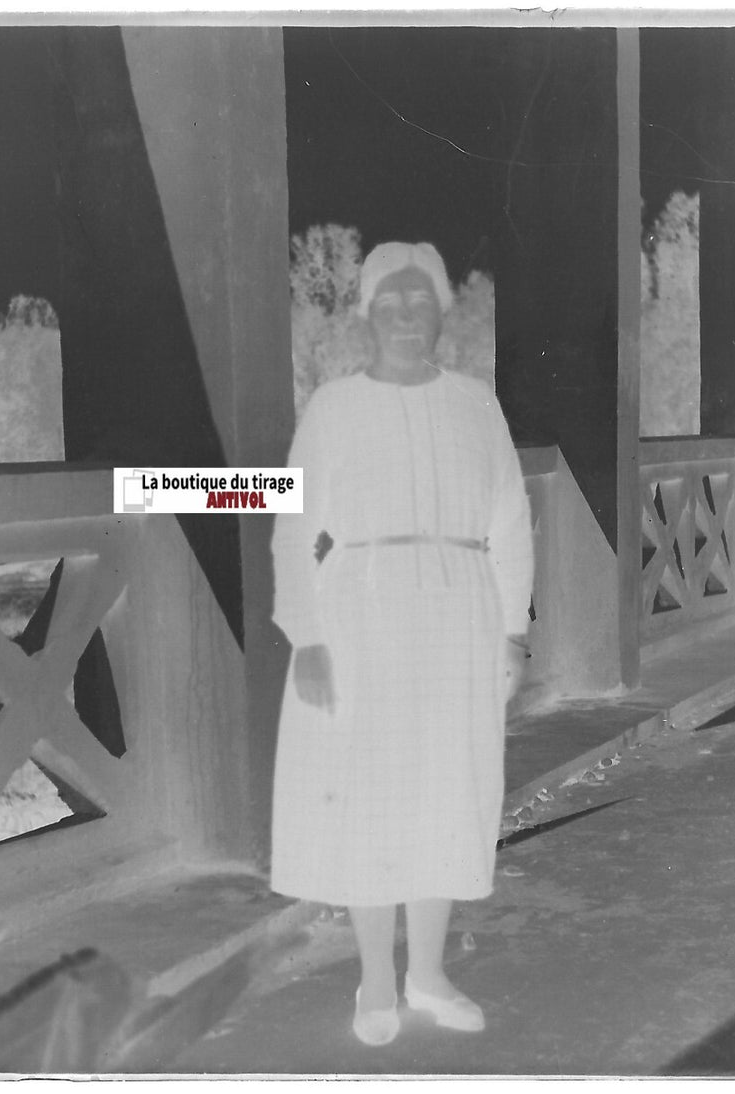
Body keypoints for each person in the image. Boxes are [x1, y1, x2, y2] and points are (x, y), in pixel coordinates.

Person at [270, 241, 536, 1046]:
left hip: (460, 619)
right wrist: (307, 638)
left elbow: (510, 522)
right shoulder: (332, 408)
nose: (405, 315)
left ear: (440, 310)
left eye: (420, 299)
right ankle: (375, 985)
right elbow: (291, 529)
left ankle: (426, 974)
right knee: (370, 799)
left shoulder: (475, 405)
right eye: (390, 301)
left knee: (443, 796)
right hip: (362, 621)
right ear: (367, 313)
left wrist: (514, 630)